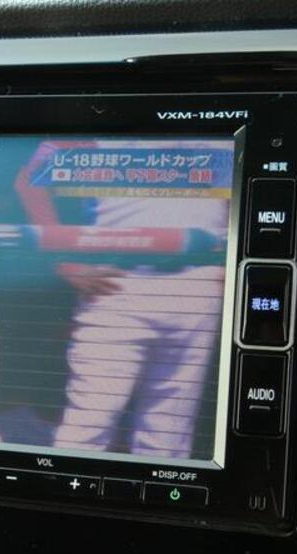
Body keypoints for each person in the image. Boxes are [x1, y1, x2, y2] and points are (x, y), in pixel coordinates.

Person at [15, 139, 231, 458]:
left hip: (197, 282)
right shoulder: (99, 125)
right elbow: (28, 180)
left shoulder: (221, 128)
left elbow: (241, 186)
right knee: (89, 425)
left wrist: (231, 255)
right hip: (118, 284)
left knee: (167, 440)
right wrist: (65, 262)